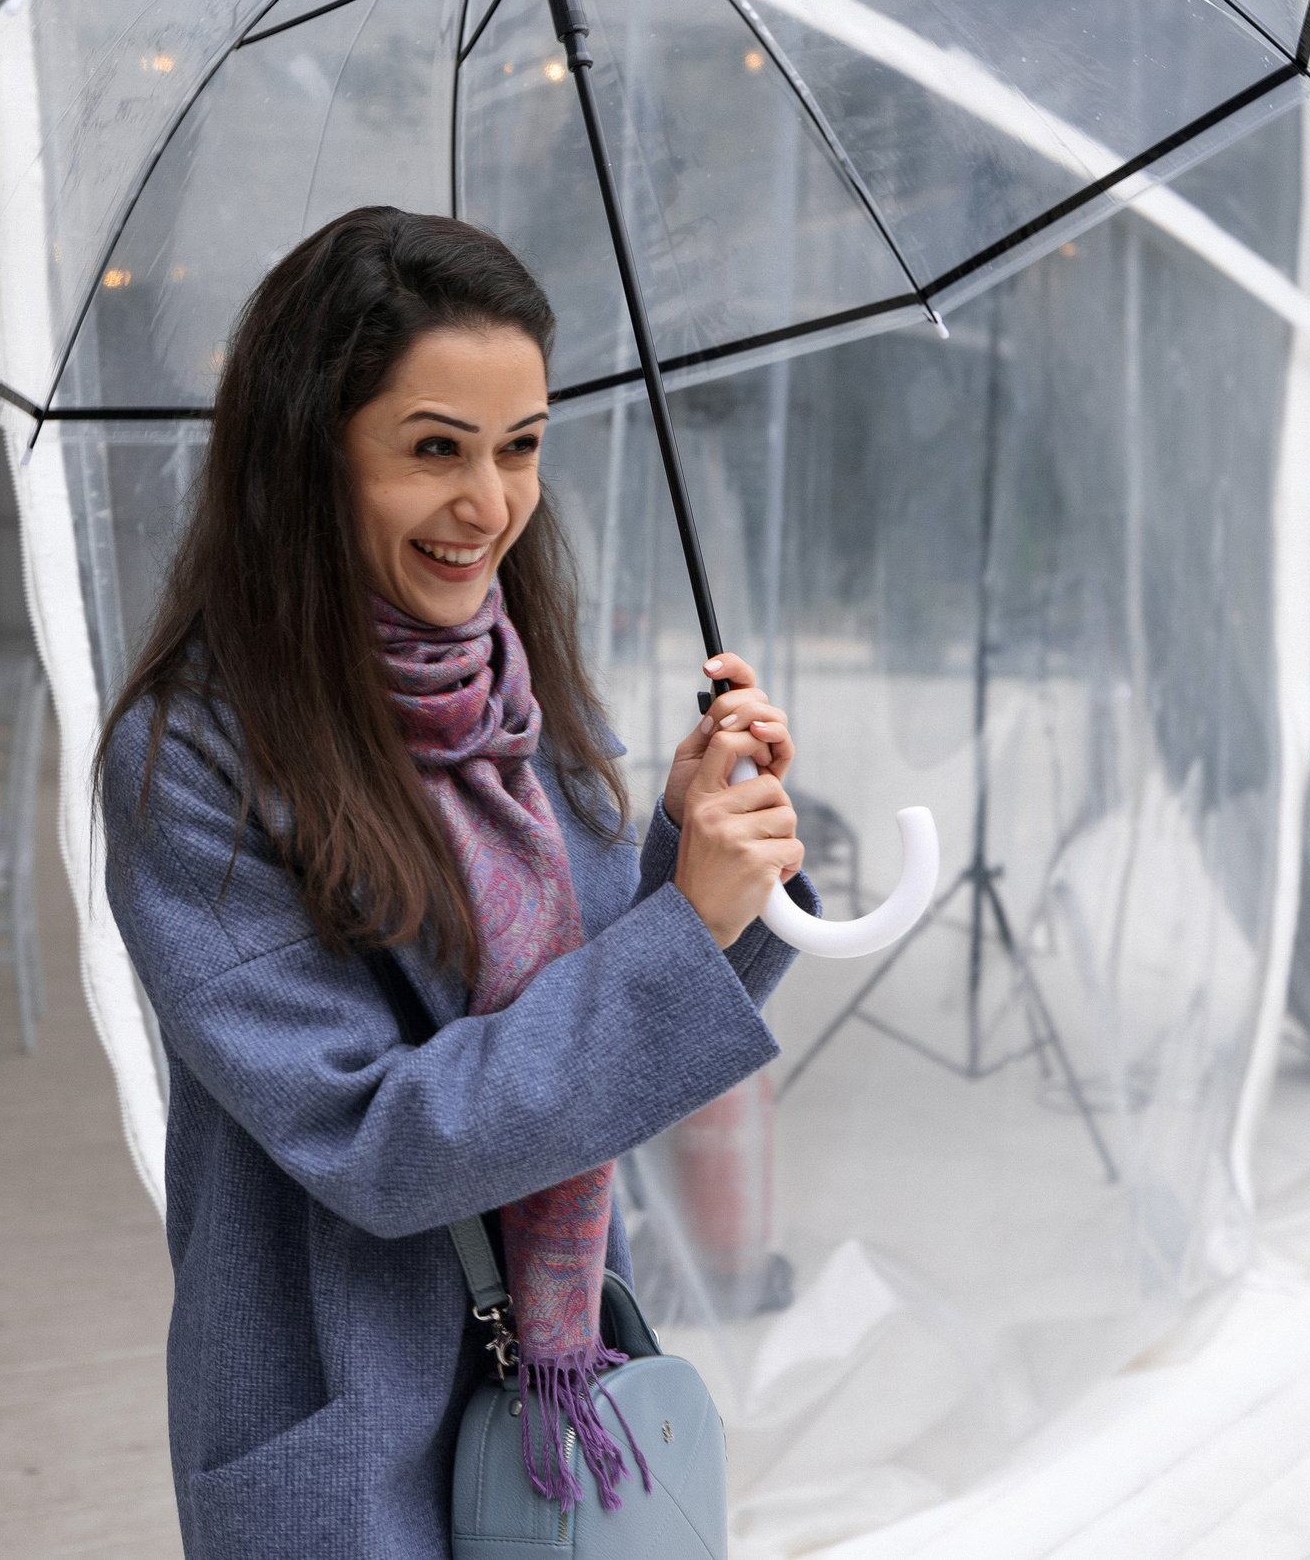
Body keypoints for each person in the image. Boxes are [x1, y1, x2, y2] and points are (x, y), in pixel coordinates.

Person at [100, 206, 816, 1556]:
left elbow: (618, 1020)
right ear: (311, 457)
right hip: (347, 1430)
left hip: (561, 1405)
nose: (488, 502)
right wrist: (686, 927)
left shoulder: (519, 699)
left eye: (521, 445)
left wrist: (700, 846)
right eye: (435, 448)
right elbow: (375, 1138)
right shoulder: (188, 756)